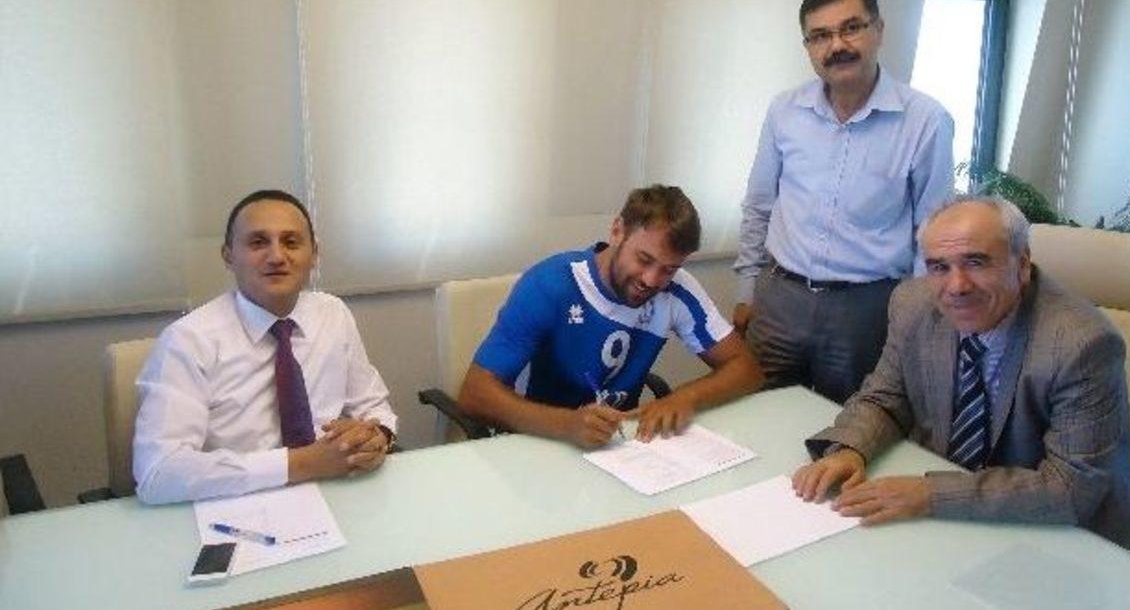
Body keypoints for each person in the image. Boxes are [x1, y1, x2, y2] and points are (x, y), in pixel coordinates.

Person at [791, 196, 1130, 554]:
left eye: (976, 262)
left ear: (1022, 266)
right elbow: (885, 397)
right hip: (957, 521)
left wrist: (929, 494)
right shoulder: (912, 304)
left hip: (1071, 536)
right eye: (939, 267)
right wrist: (850, 449)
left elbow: (1069, 489)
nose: (956, 286)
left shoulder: (1081, 344)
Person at [733, 0, 954, 403]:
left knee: (851, 424)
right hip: (780, 300)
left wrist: (916, 319)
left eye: (851, 28)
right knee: (755, 414)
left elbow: (932, 233)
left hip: (866, 310)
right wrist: (746, 289)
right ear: (808, 47)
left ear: (878, 30)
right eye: (820, 35)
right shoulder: (785, 111)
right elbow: (759, 205)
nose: (837, 45)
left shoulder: (926, 121)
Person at [132, 189, 397, 505]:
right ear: (228, 256)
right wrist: (303, 463)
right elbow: (158, 473)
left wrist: (376, 437)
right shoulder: (187, 341)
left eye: (291, 242)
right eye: (258, 242)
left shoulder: (333, 314)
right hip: (235, 504)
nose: (276, 257)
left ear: (314, 254)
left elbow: (373, 405)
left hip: (334, 494)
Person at [458, 185, 763, 449]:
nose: (652, 280)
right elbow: (474, 393)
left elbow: (746, 369)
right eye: (644, 259)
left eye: (669, 269)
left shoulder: (677, 291)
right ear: (617, 231)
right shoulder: (551, 284)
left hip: (615, 446)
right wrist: (567, 425)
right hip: (538, 441)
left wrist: (684, 397)